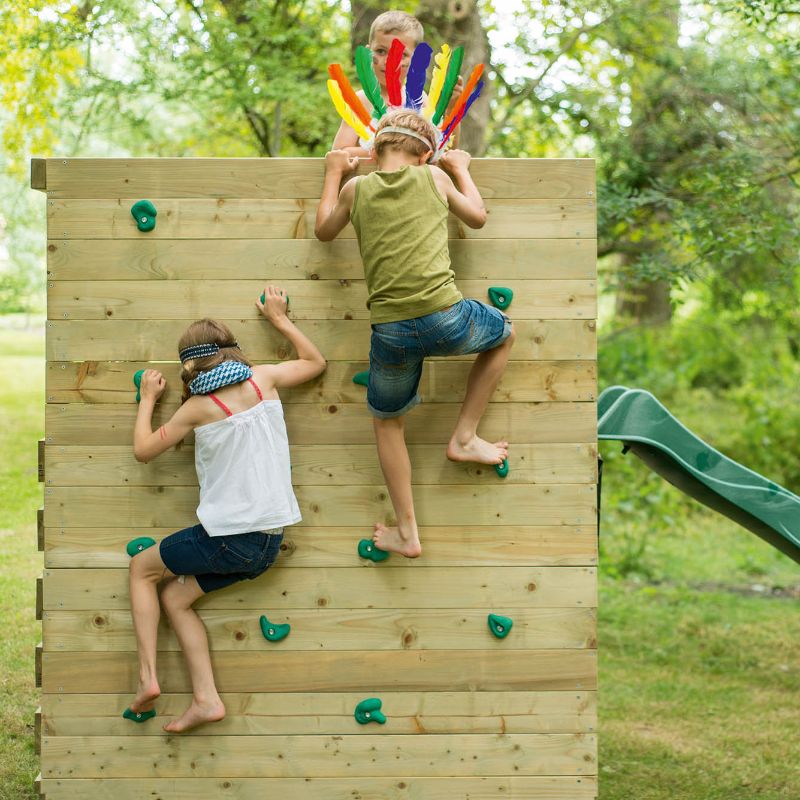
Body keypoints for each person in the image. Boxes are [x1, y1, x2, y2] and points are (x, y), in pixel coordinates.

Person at [315, 110, 515, 559]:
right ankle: (464, 436)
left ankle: (407, 532)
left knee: (388, 423)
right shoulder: (434, 180)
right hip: (446, 316)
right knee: (503, 334)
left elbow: (324, 230)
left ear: (375, 149)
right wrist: (460, 169)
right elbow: (478, 217)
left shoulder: (355, 188)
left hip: (391, 331)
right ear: (426, 155)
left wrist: (332, 172)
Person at [126, 287, 326, 733]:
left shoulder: (197, 408)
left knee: (142, 569)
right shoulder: (265, 379)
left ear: (190, 365)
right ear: (233, 351)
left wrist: (147, 399)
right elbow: (316, 363)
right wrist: (280, 319)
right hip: (267, 544)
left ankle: (146, 680)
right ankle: (206, 700)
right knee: (176, 597)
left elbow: (143, 450)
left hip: (229, 538)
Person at [332, 10, 461, 157]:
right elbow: (339, 153)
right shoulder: (361, 100)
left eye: (400, 54)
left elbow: (444, 151)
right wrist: (389, 150)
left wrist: (452, 108)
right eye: (381, 51)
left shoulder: (421, 101)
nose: (389, 61)